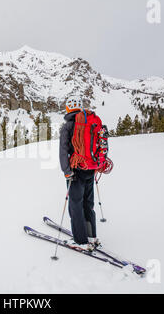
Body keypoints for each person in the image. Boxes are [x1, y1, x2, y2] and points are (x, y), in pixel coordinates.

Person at [59, 99, 100, 251]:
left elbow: (63, 151)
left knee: (75, 204)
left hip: (76, 170)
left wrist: (66, 171)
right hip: (90, 168)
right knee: (88, 203)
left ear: (68, 108)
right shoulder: (90, 122)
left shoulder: (68, 126)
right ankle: (91, 236)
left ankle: (80, 240)